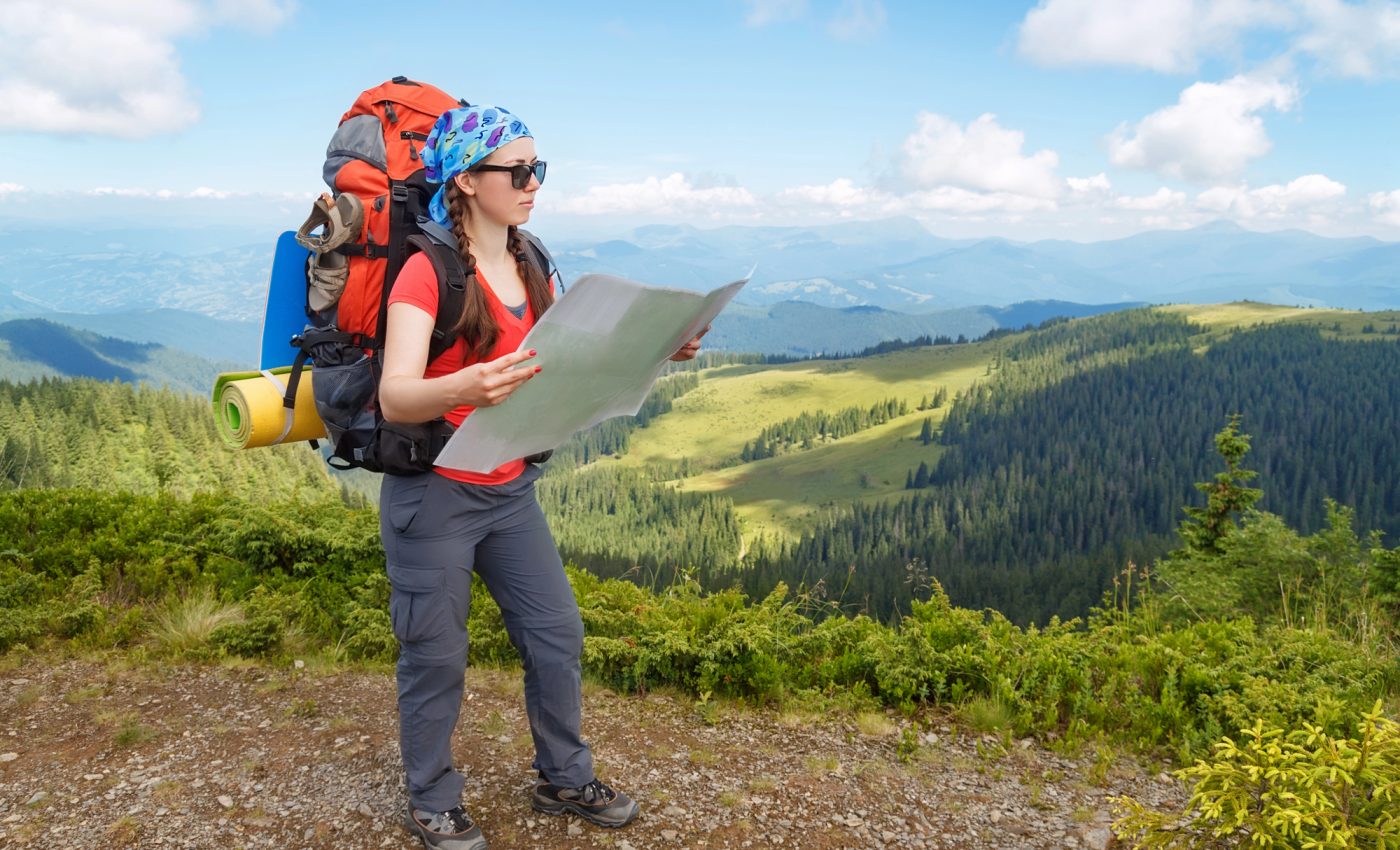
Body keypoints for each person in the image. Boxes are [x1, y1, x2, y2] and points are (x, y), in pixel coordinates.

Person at [377, 104, 706, 850]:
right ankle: (431, 798)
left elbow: (568, 360)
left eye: (537, 169)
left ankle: (563, 777)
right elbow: (395, 395)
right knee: (435, 654)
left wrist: (659, 351)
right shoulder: (424, 271)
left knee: (556, 635)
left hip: (508, 486)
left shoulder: (532, 259)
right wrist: (467, 388)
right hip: (435, 492)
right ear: (464, 179)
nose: (533, 184)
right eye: (517, 171)